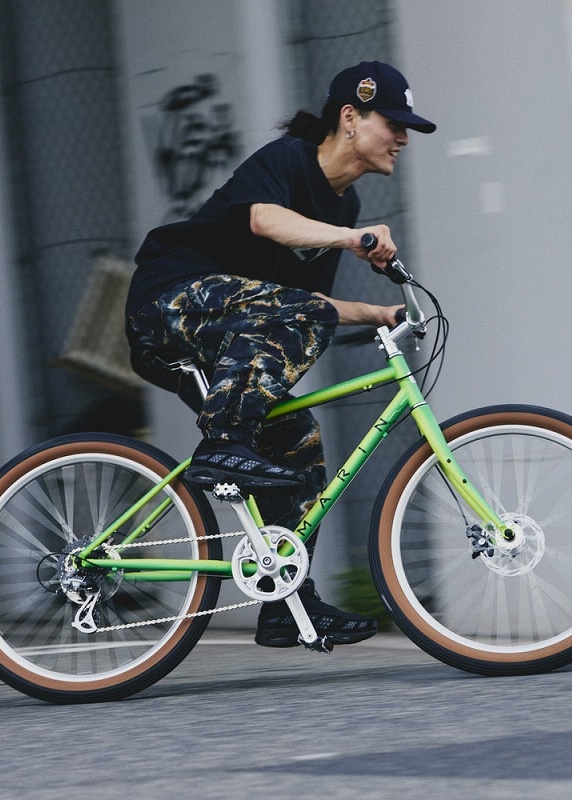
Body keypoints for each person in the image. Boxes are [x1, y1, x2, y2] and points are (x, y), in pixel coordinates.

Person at [125, 61, 436, 648]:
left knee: (299, 439)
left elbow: (308, 301)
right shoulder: (289, 159)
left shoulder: (343, 205)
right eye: (393, 123)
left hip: (226, 335)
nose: (402, 137)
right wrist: (352, 239)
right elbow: (264, 220)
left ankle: (284, 601)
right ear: (350, 117)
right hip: (170, 303)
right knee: (302, 318)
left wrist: (381, 313)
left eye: (407, 128)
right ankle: (224, 443)